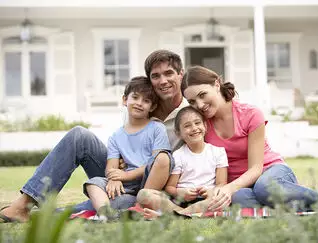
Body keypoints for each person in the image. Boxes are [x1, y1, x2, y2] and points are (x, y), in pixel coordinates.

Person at [0, 49, 188, 223]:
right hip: (123, 178)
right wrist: (115, 175)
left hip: (155, 186)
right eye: (156, 76)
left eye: (169, 73)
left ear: (181, 74)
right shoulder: (136, 110)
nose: (163, 81)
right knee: (79, 135)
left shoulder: (191, 113)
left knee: (108, 204)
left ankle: (46, 215)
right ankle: (22, 206)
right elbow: (122, 150)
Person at [180, 65, 318, 212]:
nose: (200, 105)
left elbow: (256, 169)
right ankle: (293, 202)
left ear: (216, 85)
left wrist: (229, 188)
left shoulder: (250, 114)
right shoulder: (200, 125)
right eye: (192, 101)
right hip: (240, 185)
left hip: (270, 172)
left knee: (265, 188)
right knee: (241, 199)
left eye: (203, 95)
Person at [84, 76, 172, 217]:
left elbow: (157, 162)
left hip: (149, 183)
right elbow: (111, 167)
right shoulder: (116, 136)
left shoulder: (157, 128)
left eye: (146, 101)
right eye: (135, 98)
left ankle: (134, 205)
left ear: (153, 107)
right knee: (92, 184)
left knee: (163, 158)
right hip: (126, 187)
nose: (139, 103)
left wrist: (125, 175)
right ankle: (106, 215)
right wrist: (114, 178)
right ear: (125, 100)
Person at [137, 106, 228, 219]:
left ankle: (175, 216)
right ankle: (182, 214)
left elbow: (221, 184)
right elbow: (170, 187)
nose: (194, 128)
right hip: (179, 202)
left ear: (205, 126)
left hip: (205, 201)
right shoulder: (178, 155)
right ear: (178, 133)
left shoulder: (218, 152)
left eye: (197, 123)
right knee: (143, 194)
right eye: (187, 126)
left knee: (219, 199)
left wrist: (210, 191)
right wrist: (181, 193)